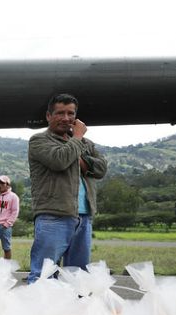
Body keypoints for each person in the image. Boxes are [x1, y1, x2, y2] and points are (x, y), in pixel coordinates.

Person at [26, 94, 107, 284]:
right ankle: (39, 314)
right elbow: (59, 161)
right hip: (53, 216)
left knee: (78, 277)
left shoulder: (85, 144)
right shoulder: (39, 140)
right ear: (48, 116)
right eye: (60, 113)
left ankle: (71, 314)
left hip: (83, 217)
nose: (66, 118)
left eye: (71, 113)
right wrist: (77, 138)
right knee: (43, 275)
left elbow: (102, 168)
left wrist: (79, 155)